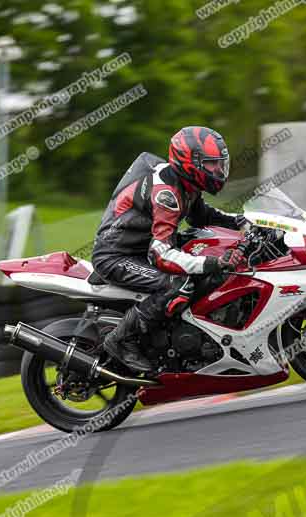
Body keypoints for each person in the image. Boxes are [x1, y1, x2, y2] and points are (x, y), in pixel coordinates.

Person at [91, 126, 249, 373]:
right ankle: (121, 340)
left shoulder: (186, 184)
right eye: (210, 164)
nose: (218, 170)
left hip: (140, 250)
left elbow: (201, 216)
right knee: (176, 284)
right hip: (116, 257)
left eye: (220, 164)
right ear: (189, 163)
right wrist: (213, 262)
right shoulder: (166, 192)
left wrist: (240, 221)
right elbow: (161, 253)